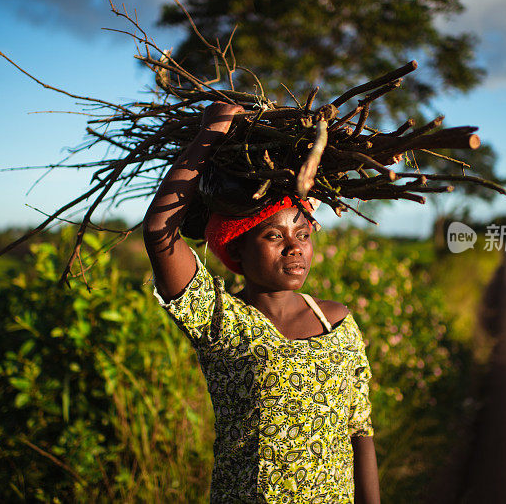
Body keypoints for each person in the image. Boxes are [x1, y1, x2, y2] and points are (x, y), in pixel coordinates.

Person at [143, 102, 380, 503]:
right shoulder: (221, 321)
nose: (294, 248)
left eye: (302, 234)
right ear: (238, 248)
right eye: (273, 236)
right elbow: (158, 232)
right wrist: (213, 131)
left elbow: (360, 429)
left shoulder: (338, 322)